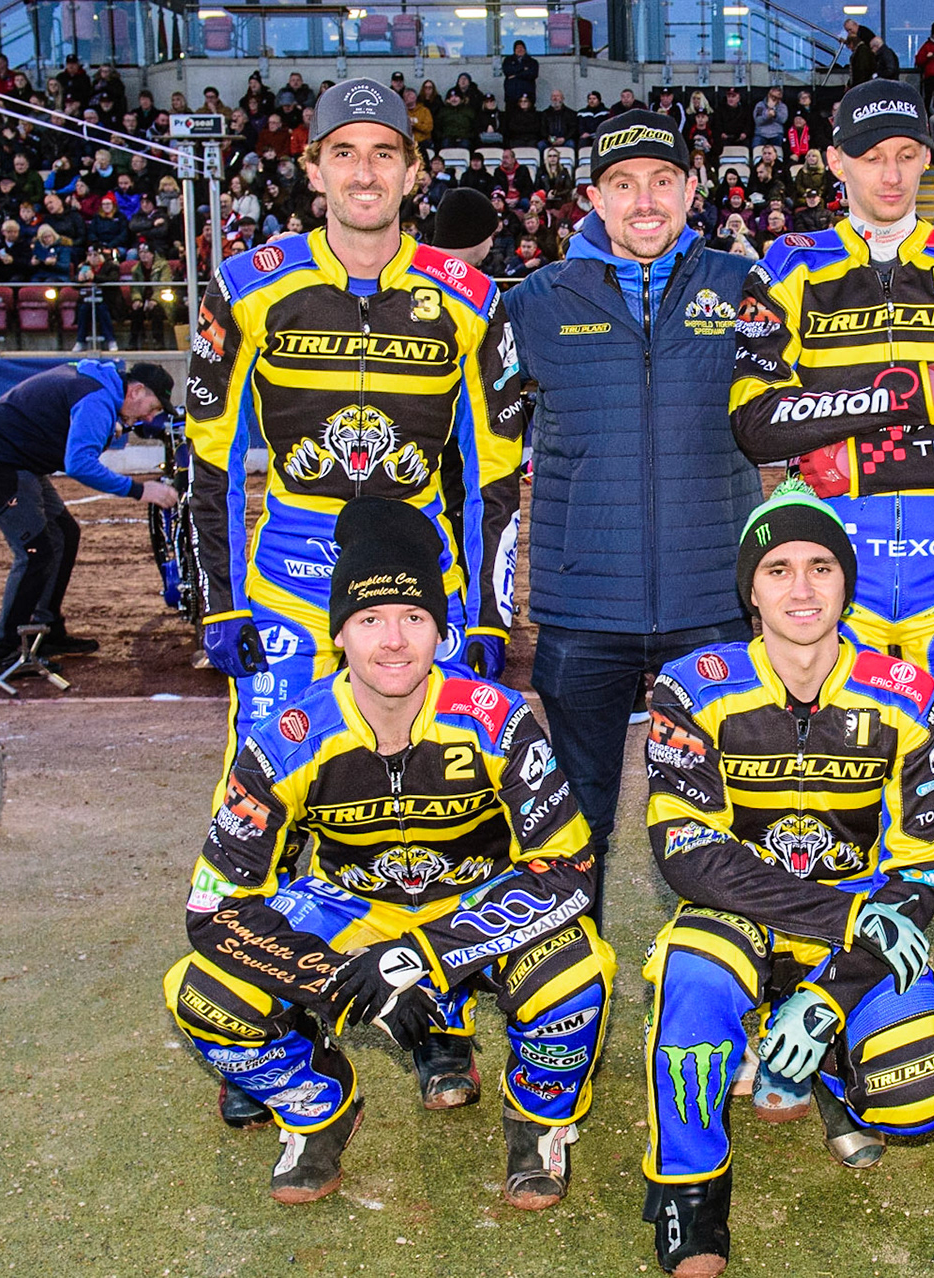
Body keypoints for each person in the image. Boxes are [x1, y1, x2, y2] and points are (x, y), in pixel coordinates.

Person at [161, 497, 616, 1208]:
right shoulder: (287, 736)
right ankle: (318, 1108)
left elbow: (568, 870)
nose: (394, 640)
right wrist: (337, 978)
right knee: (201, 994)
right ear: (340, 633)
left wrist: (423, 956)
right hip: (351, 913)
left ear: (441, 631)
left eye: (414, 619)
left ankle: (540, 1122)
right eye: (370, 620)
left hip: (473, 910)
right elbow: (215, 907)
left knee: (572, 976)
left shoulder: (498, 719)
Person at [729, 80, 934, 919]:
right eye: (872, 158)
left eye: (907, 156)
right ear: (835, 161)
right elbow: (758, 424)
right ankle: (839, 957)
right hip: (841, 595)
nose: (892, 176)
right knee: (838, 794)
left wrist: (851, 456)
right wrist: (903, 399)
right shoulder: (789, 265)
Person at [639, 481, 934, 1276]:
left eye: (821, 566)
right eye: (778, 568)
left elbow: (926, 867)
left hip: (866, 910)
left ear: (847, 582)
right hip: (741, 907)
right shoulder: (689, 687)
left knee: (920, 1095)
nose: (802, 587)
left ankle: (823, 1061)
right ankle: (692, 1201)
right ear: (750, 588)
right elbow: (686, 852)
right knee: (692, 992)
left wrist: (831, 991)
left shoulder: (910, 692)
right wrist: (843, 922)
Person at [185, 78, 526, 763]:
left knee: (437, 795)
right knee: (261, 790)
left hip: (422, 582)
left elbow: (496, 468)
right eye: (344, 153)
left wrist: (492, 611)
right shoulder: (246, 286)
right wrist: (218, 600)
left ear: (412, 171)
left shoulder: (473, 298)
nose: (364, 172)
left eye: (383, 153)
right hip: (290, 582)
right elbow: (209, 456)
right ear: (313, 168)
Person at [502, 113, 761, 878]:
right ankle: (568, 985)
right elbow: (482, 443)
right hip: (582, 610)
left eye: (661, 182)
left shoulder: (742, 287)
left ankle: (720, 977)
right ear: (595, 197)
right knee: (572, 831)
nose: (644, 201)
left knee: (722, 819)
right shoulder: (534, 302)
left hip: (713, 600)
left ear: (689, 190)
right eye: (623, 184)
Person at [0, 360, 177, 671]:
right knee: (35, 552)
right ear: (135, 391)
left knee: (65, 534)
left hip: (17, 458)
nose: (150, 417)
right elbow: (79, 463)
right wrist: (139, 490)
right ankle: (4, 652)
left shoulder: (97, 385)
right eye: (152, 407)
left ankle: (47, 630)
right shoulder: (96, 399)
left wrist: (111, 425)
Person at [430, 186, 499, 267]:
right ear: (475, 236)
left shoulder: (415, 263)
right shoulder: (475, 279)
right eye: (490, 235)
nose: (491, 244)